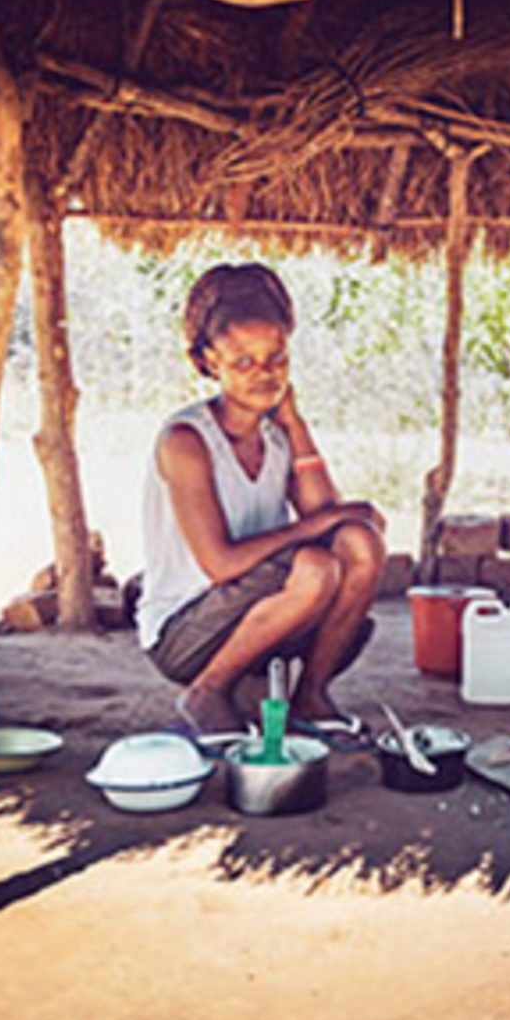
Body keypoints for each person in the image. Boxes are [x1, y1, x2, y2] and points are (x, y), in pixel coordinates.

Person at [136, 263, 386, 739]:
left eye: (276, 358)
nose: (264, 374)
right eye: (243, 362)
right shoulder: (186, 440)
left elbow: (327, 521)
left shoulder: (275, 436)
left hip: (262, 614)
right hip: (185, 632)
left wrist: (294, 423)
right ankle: (206, 691)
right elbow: (222, 565)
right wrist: (319, 524)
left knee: (361, 542)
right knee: (315, 566)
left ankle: (311, 697)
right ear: (209, 362)